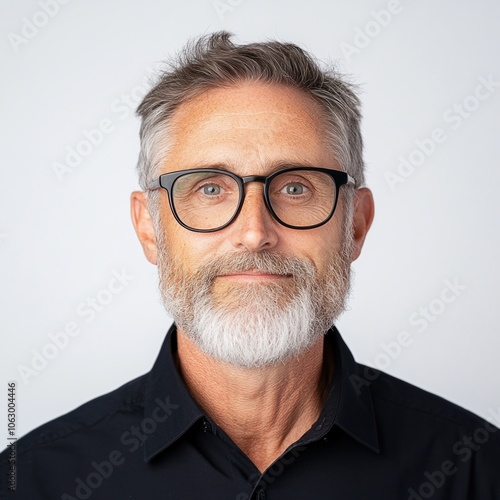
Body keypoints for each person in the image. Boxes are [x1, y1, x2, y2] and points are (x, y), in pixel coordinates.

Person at [1, 31, 499, 500]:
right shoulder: (34, 481)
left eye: (297, 187)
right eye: (210, 188)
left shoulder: (478, 470)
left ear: (355, 225)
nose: (256, 232)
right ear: (149, 227)